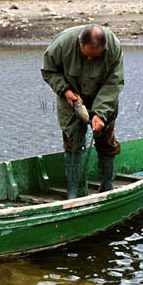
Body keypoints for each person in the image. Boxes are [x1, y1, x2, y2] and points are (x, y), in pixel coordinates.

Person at [41, 24, 124, 198]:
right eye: (86, 55)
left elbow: (114, 83)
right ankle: (74, 192)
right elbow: (49, 71)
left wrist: (100, 114)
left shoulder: (114, 48)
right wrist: (64, 90)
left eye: (95, 56)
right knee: (72, 141)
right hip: (71, 96)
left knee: (106, 141)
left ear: (103, 48)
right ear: (80, 44)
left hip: (102, 96)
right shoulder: (62, 44)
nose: (90, 59)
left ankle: (107, 186)